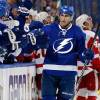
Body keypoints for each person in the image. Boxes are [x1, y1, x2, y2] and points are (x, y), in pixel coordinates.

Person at [41, 6, 94, 100]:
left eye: (66, 16)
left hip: (68, 73)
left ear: (71, 17)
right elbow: (37, 44)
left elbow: (81, 53)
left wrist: (86, 55)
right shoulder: (49, 29)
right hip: (49, 71)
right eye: (62, 15)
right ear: (59, 15)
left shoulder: (77, 31)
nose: (63, 18)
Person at [76, 14, 100, 100]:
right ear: (84, 23)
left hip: (78, 70)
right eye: (89, 21)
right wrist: (98, 68)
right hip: (90, 69)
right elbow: (95, 56)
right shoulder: (92, 35)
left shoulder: (75, 35)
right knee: (92, 93)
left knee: (81, 92)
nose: (91, 23)